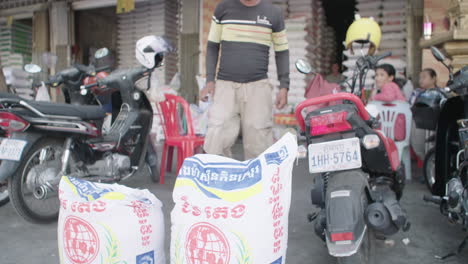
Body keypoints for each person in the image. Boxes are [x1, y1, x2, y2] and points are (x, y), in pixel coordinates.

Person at [200, 0, 289, 159]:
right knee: (217, 135)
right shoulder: (223, 9)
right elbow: (213, 46)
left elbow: (282, 51)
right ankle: (220, 180)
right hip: (225, 86)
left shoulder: (273, 13)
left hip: (258, 87)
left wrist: (284, 86)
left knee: (259, 141)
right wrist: (210, 80)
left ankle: (257, 182)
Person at [371, 63, 407, 141]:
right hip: (398, 128)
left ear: (390, 77)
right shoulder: (392, 86)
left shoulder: (388, 85)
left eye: (382, 75)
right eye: (376, 75)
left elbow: (389, 97)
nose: (377, 78)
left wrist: (374, 97)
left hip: (394, 128)